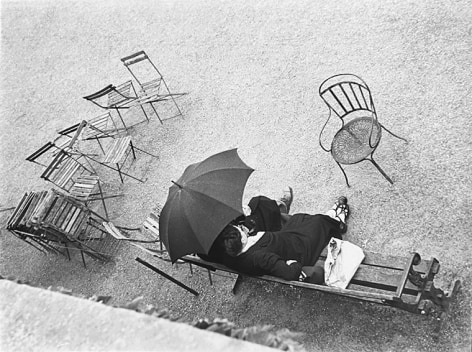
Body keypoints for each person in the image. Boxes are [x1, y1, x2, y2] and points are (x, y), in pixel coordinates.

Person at [216, 196, 350, 283]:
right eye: (240, 229)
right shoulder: (261, 258)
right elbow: (291, 273)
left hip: (284, 240)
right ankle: (337, 219)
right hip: (298, 249)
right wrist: (293, 264)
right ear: (243, 240)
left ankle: (333, 218)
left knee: (296, 218)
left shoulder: (228, 256)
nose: (241, 227)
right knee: (318, 222)